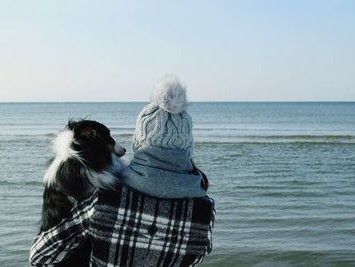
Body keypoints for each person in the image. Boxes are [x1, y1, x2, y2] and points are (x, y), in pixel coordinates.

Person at [29, 76, 215, 266]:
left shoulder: (104, 199)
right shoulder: (205, 210)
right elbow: (194, 258)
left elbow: (40, 256)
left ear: (139, 143)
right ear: (187, 147)